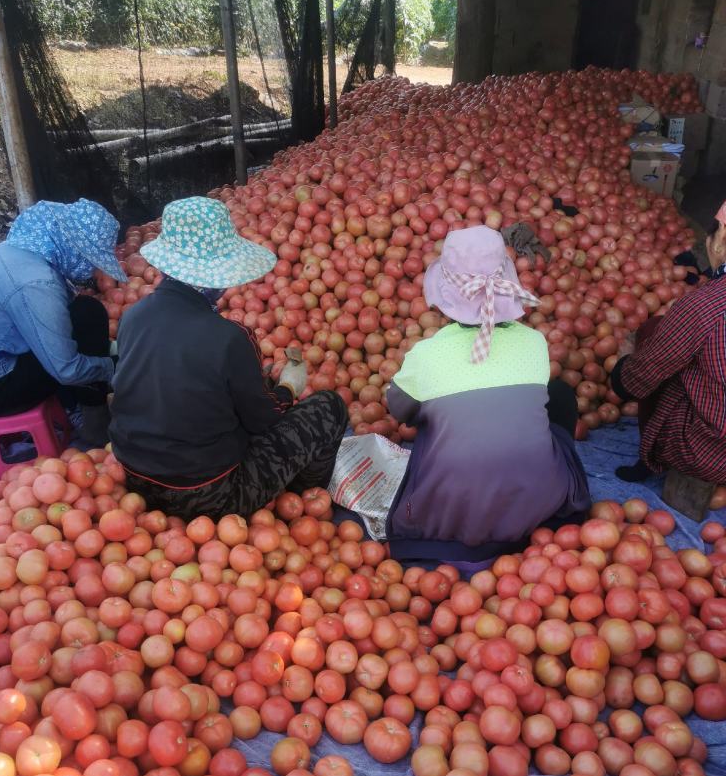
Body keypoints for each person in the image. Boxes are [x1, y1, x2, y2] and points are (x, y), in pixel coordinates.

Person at [109, 197, 348, 520]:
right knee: (329, 407)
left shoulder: (132, 317)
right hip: (209, 495)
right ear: (216, 276)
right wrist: (288, 389)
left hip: (136, 481)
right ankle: (303, 497)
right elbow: (263, 421)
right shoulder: (229, 338)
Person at [385, 225, 590, 572]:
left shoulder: (426, 355)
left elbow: (398, 409)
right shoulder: (535, 344)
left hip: (450, 512)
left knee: (431, 419)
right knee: (559, 395)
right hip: (533, 505)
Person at [0, 198, 121, 440]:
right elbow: (66, 370)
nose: (91, 269)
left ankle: (73, 403)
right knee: (89, 317)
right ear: (73, 248)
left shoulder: (17, 250)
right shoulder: (36, 283)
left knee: (83, 312)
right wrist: (113, 367)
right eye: (90, 258)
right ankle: (94, 424)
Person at [612, 204, 726, 484]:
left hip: (710, 456)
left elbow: (632, 382)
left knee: (655, 339)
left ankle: (650, 460)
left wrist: (624, 364)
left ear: (721, 238)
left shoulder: (705, 306)